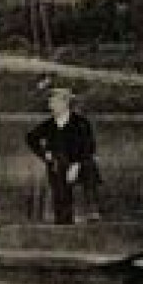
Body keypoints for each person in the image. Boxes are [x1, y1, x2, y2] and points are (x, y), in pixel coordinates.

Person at [25, 85, 102, 225]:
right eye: (50, 103)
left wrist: (76, 165)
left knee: (89, 170)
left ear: (65, 103)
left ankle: (92, 213)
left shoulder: (81, 123)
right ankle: (64, 221)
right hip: (58, 167)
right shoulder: (48, 125)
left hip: (81, 164)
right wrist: (44, 154)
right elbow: (30, 138)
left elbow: (89, 147)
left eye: (54, 102)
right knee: (60, 193)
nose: (51, 106)